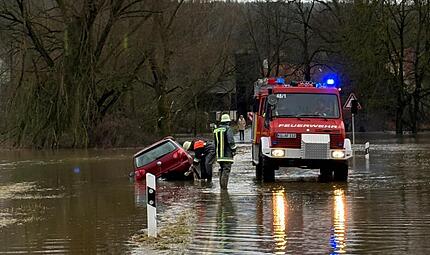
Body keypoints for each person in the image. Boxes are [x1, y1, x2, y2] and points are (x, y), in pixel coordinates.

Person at [213, 114, 237, 190]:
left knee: (222, 170)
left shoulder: (216, 130)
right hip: (227, 155)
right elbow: (230, 141)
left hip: (219, 155)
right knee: (226, 171)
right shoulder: (228, 129)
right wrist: (234, 149)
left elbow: (215, 143)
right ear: (228, 122)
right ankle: (224, 189)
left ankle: (221, 187)